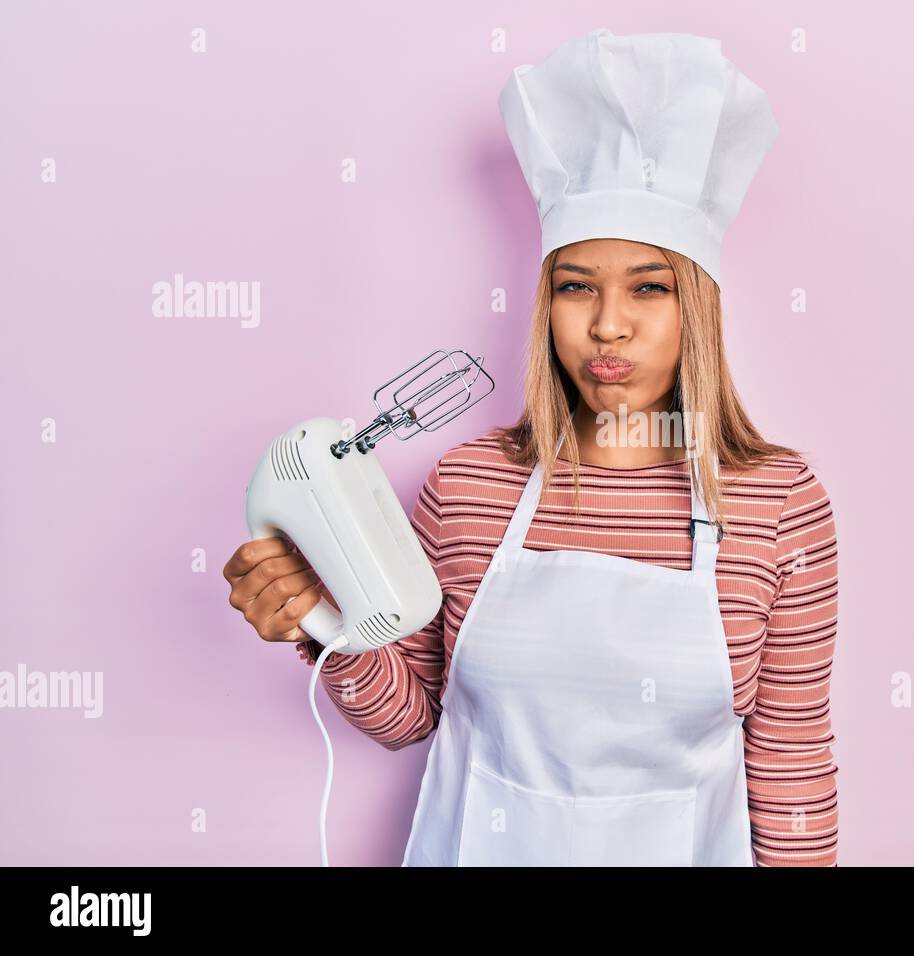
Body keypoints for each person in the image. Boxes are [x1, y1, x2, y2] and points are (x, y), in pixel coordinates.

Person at [223, 27, 838, 866]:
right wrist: (321, 619)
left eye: (649, 288)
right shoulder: (471, 485)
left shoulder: (777, 501)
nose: (607, 325)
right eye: (575, 286)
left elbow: (790, 756)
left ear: (699, 305)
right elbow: (408, 721)